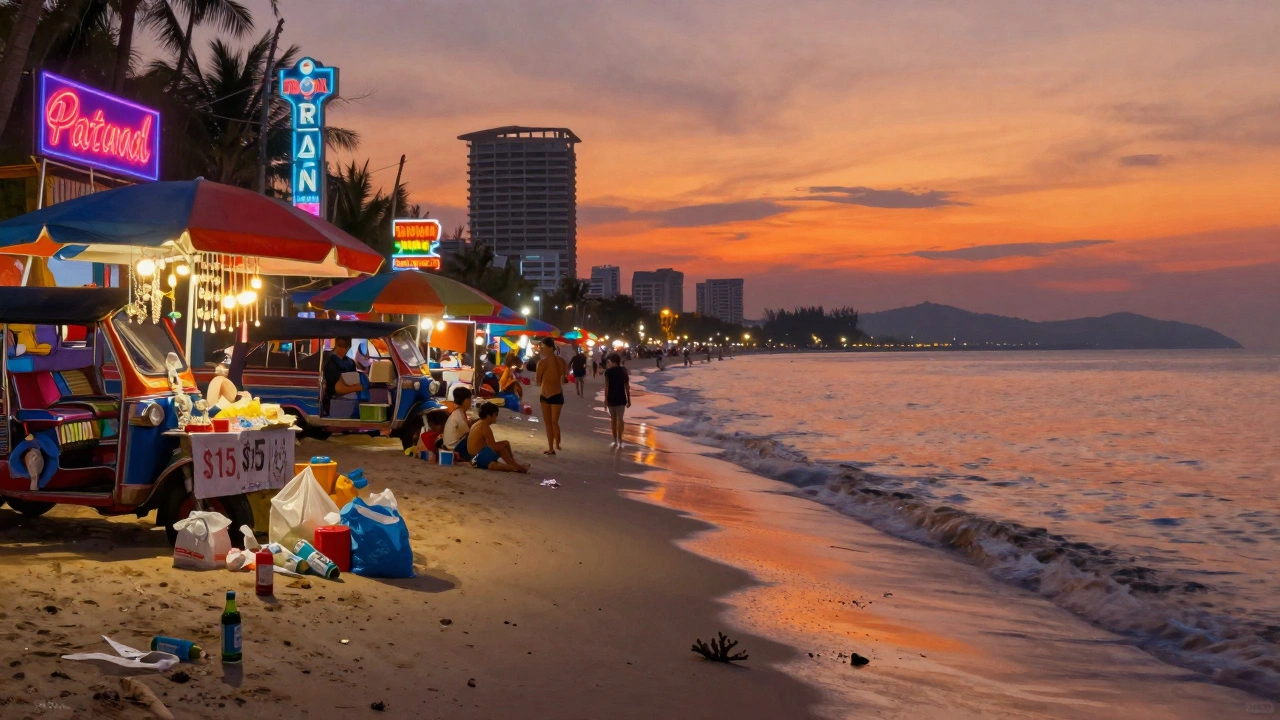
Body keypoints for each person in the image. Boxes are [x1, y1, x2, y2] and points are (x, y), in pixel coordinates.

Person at [466, 403, 530, 472]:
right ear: (488, 415)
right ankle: (515, 466)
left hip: (477, 454)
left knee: (505, 443)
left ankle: (513, 463)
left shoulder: (480, 423)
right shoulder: (484, 427)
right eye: (496, 414)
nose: (497, 417)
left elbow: (490, 445)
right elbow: (494, 447)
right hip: (476, 458)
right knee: (501, 448)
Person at [535, 336, 566, 455]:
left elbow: (538, 381)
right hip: (557, 393)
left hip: (545, 394)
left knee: (549, 423)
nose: (540, 349)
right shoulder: (561, 362)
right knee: (554, 422)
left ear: (550, 348)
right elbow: (564, 379)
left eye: (542, 347)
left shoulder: (542, 363)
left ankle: (551, 447)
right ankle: (556, 444)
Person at [322, 337, 362, 415]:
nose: (342, 349)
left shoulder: (350, 362)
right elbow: (337, 388)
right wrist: (358, 388)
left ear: (348, 348)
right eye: (339, 346)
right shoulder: (331, 363)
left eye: (345, 347)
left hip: (350, 398)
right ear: (336, 345)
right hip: (335, 399)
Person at [603, 352, 631, 448]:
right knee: (620, 419)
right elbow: (627, 386)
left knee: (613, 419)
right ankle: (620, 439)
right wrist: (629, 399)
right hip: (621, 398)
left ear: (612, 361)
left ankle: (615, 440)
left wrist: (605, 400)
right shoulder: (623, 371)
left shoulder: (608, 372)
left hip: (611, 398)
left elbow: (606, 387)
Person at [442, 387, 474, 461]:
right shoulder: (458, 415)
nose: (470, 402)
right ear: (464, 401)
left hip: (452, 445)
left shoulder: (459, 412)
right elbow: (467, 434)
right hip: (454, 448)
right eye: (469, 399)